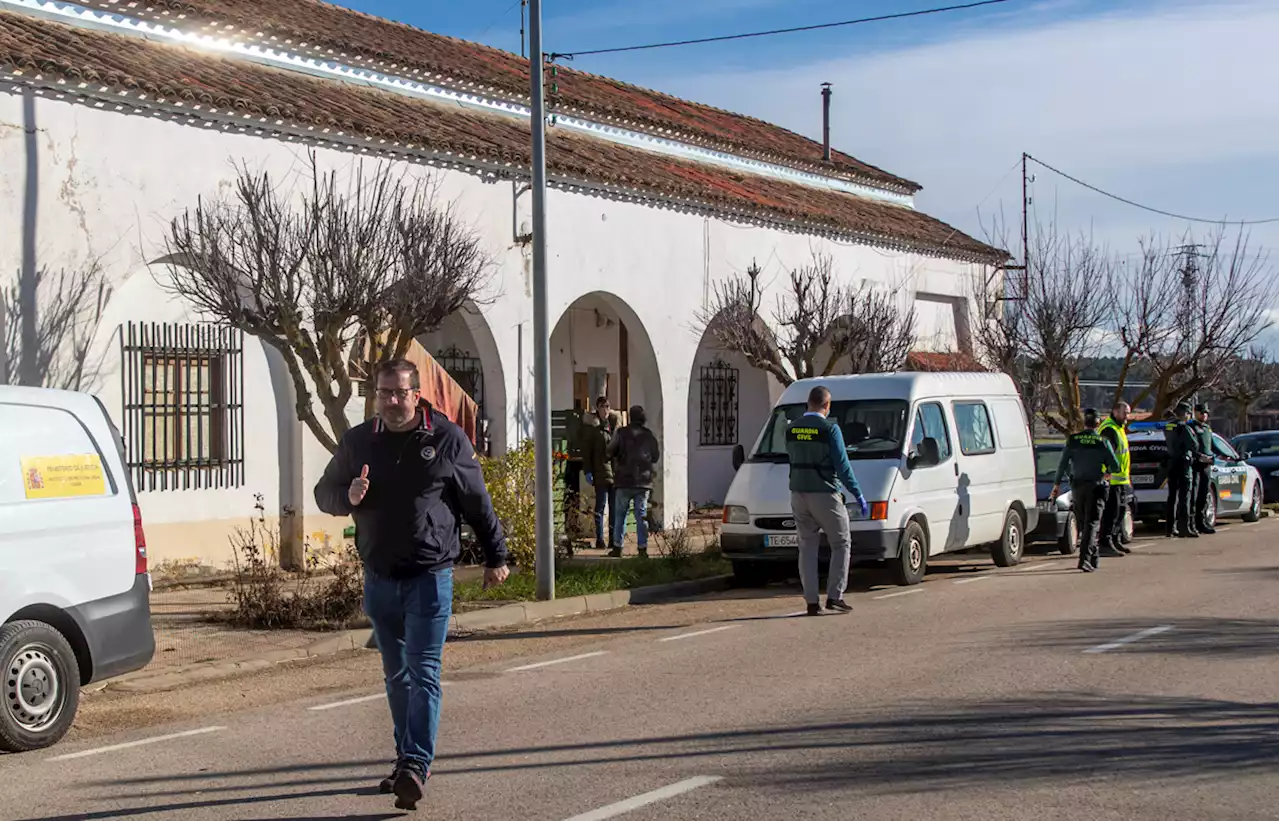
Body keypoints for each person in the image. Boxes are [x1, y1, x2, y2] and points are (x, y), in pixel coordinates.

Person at [314, 359, 509, 811]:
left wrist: (496, 555)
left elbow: (477, 502)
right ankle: (405, 760)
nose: (392, 401)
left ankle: (416, 766)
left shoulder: (445, 439)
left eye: (400, 393)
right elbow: (324, 493)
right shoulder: (359, 441)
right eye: (384, 393)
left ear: (417, 394)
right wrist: (348, 498)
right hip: (380, 579)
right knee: (395, 674)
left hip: (429, 576)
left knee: (423, 672)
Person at [784, 385, 868, 616]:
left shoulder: (791, 429)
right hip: (825, 494)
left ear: (807, 403)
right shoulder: (830, 430)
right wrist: (857, 493)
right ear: (827, 406)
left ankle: (812, 602)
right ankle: (835, 596)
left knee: (807, 548)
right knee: (841, 543)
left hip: (798, 494)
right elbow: (842, 466)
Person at [1051, 408, 1120, 573]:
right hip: (1095, 486)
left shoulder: (1073, 440)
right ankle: (1085, 559)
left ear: (1085, 422)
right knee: (1093, 523)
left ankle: (1093, 556)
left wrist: (1057, 485)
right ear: (1098, 423)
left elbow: (1062, 464)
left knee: (1083, 523)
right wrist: (1107, 471)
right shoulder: (1102, 442)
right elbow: (1116, 465)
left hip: (1077, 487)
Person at [607, 404, 661, 558]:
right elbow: (655, 456)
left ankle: (618, 547)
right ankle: (642, 548)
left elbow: (610, 450)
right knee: (641, 515)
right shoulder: (649, 435)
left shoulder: (621, 433)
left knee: (620, 515)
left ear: (630, 417)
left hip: (623, 480)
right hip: (643, 481)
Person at [580, 396, 618, 552]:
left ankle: (614, 539)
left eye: (607, 406)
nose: (605, 409)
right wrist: (588, 470)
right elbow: (587, 452)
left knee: (614, 508)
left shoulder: (614, 427)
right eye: (602, 406)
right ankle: (600, 539)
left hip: (615, 474)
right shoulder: (593, 430)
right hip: (601, 473)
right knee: (600, 507)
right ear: (597, 408)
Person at [1096, 402, 1133, 556]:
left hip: (1121, 480)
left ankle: (1115, 539)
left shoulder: (1119, 428)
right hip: (1112, 480)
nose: (1127, 417)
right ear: (1115, 411)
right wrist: (1107, 474)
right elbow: (1106, 455)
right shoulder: (1109, 429)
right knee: (1111, 513)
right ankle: (1105, 543)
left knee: (1119, 512)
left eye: (1129, 413)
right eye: (1125, 413)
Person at [1163, 402, 1199, 539]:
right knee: (1185, 497)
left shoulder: (1168, 426)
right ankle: (1184, 527)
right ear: (1185, 414)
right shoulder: (1184, 428)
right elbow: (1194, 445)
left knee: (1171, 497)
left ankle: (1169, 528)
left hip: (1171, 464)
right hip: (1183, 465)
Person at [1189, 403, 1217, 534]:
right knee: (1194, 495)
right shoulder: (1191, 427)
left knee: (1204, 495)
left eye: (1206, 413)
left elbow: (1211, 446)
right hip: (1195, 466)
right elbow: (1191, 446)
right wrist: (1199, 456)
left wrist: (1215, 456)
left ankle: (1202, 521)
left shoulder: (1207, 428)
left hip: (1207, 466)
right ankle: (1193, 523)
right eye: (1201, 412)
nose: (1204, 415)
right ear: (1195, 412)